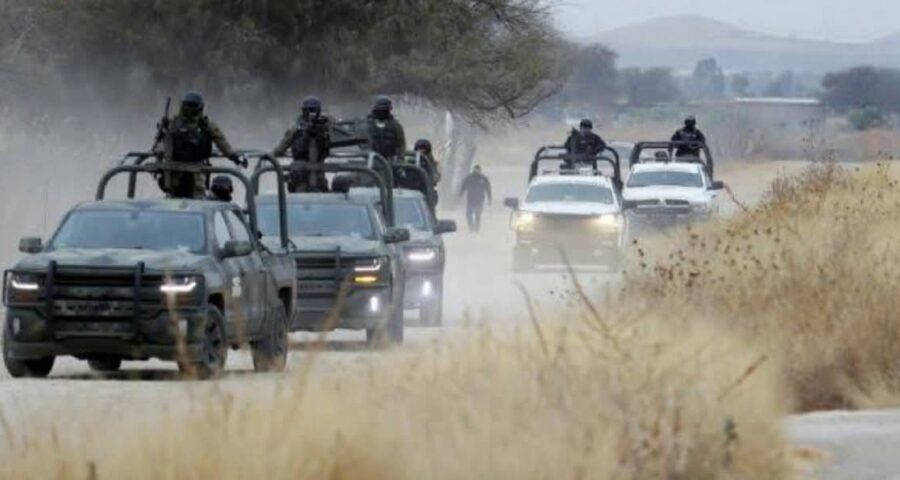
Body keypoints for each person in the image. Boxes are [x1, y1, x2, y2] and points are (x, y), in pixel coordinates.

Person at [154, 91, 246, 199]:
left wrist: (234, 157)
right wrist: (235, 157)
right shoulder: (202, 124)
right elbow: (222, 143)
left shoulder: (174, 124)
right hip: (188, 174)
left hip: (181, 174)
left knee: (178, 199)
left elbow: (159, 148)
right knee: (192, 199)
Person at [272, 95, 331, 193]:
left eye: (313, 111)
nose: (312, 114)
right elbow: (279, 150)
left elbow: (279, 150)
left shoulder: (297, 129)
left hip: (312, 175)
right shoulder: (297, 130)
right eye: (310, 111)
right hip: (304, 176)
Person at [367, 96, 407, 163]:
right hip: (371, 161)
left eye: (384, 110)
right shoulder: (368, 124)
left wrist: (400, 158)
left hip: (390, 161)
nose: (382, 112)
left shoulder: (395, 125)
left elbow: (401, 144)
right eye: (380, 110)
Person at [458, 165, 492, 233]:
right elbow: (463, 186)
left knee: (478, 215)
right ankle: (471, 227)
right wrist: (460, 195)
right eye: (475, 169)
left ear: (480, 170)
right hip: (470, 199)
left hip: (479, 200)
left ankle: (477, 228)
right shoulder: (469, 178)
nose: (477, 171)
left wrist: (489, 198)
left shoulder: (483, 179)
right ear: (473, 169)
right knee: (468, 215)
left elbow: (488, 189)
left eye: (478, 170)